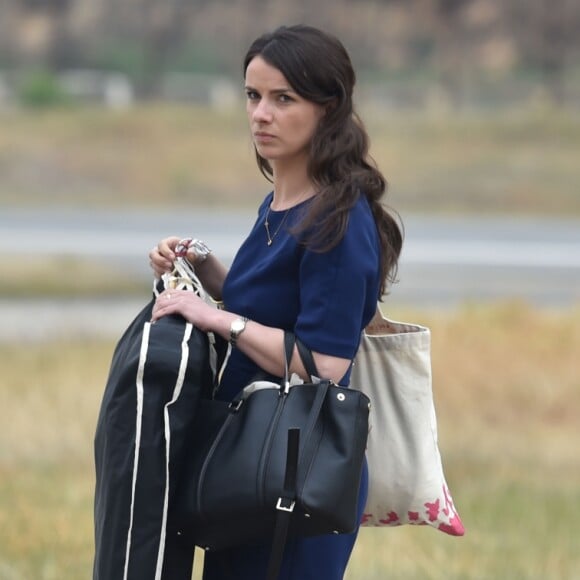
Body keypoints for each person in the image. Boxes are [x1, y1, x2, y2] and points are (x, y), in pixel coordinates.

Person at [149, 24, 402, 580]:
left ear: (327, 107)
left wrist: (214, 317)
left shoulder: (338, 221)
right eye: (253, 96)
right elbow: (271, 304)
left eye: (283, 99)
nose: (261, 114)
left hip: (296, 474)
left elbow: (322, 364)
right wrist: (202, 268)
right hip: (247, 458)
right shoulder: (282, 202)